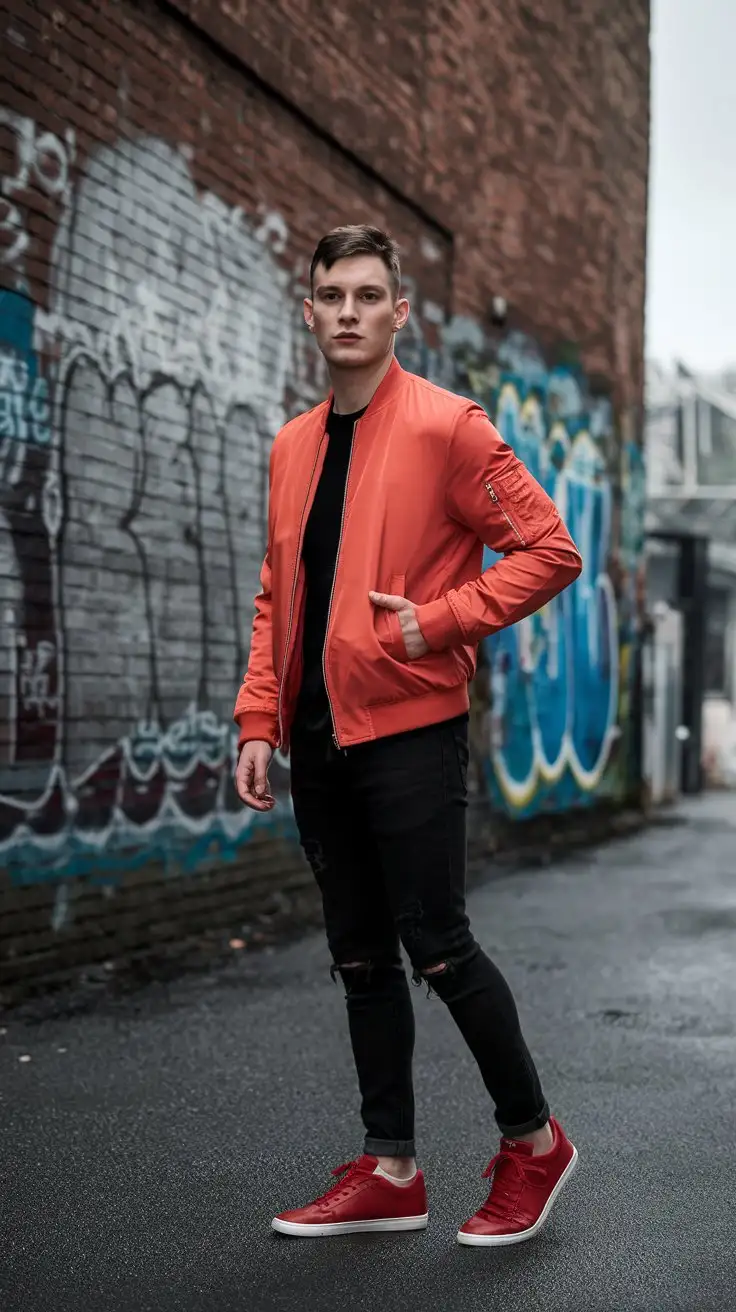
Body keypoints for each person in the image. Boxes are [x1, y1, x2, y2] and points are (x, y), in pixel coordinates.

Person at [233, 225, 582, 1246]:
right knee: (357, 957)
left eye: (367, 293)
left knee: (436, 945)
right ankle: (391, 1167)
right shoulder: (292, 445)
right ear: (309, 312)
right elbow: (275, 594)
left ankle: (533, 1141)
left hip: (411, 728)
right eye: (331, 293)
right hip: (315, 736)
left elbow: (549, 548)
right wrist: (259, 715)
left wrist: (439, 621)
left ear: (398, 313)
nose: (348, 309)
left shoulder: (447, 428)